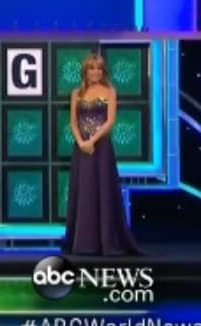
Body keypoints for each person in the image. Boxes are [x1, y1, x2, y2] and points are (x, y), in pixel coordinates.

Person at [62, 52, 142, 256]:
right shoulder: (76, 93)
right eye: (92, 68)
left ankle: (106, 242)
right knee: (84, 191)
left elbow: (110, 121)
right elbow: (73, 122)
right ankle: (82, 243)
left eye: (99, 68)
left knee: (103, 190)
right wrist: (81, 142)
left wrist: (92, 141)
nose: (96, 72)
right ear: (85, 71)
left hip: (101, 148)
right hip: (81, 149)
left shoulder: (109, 91)